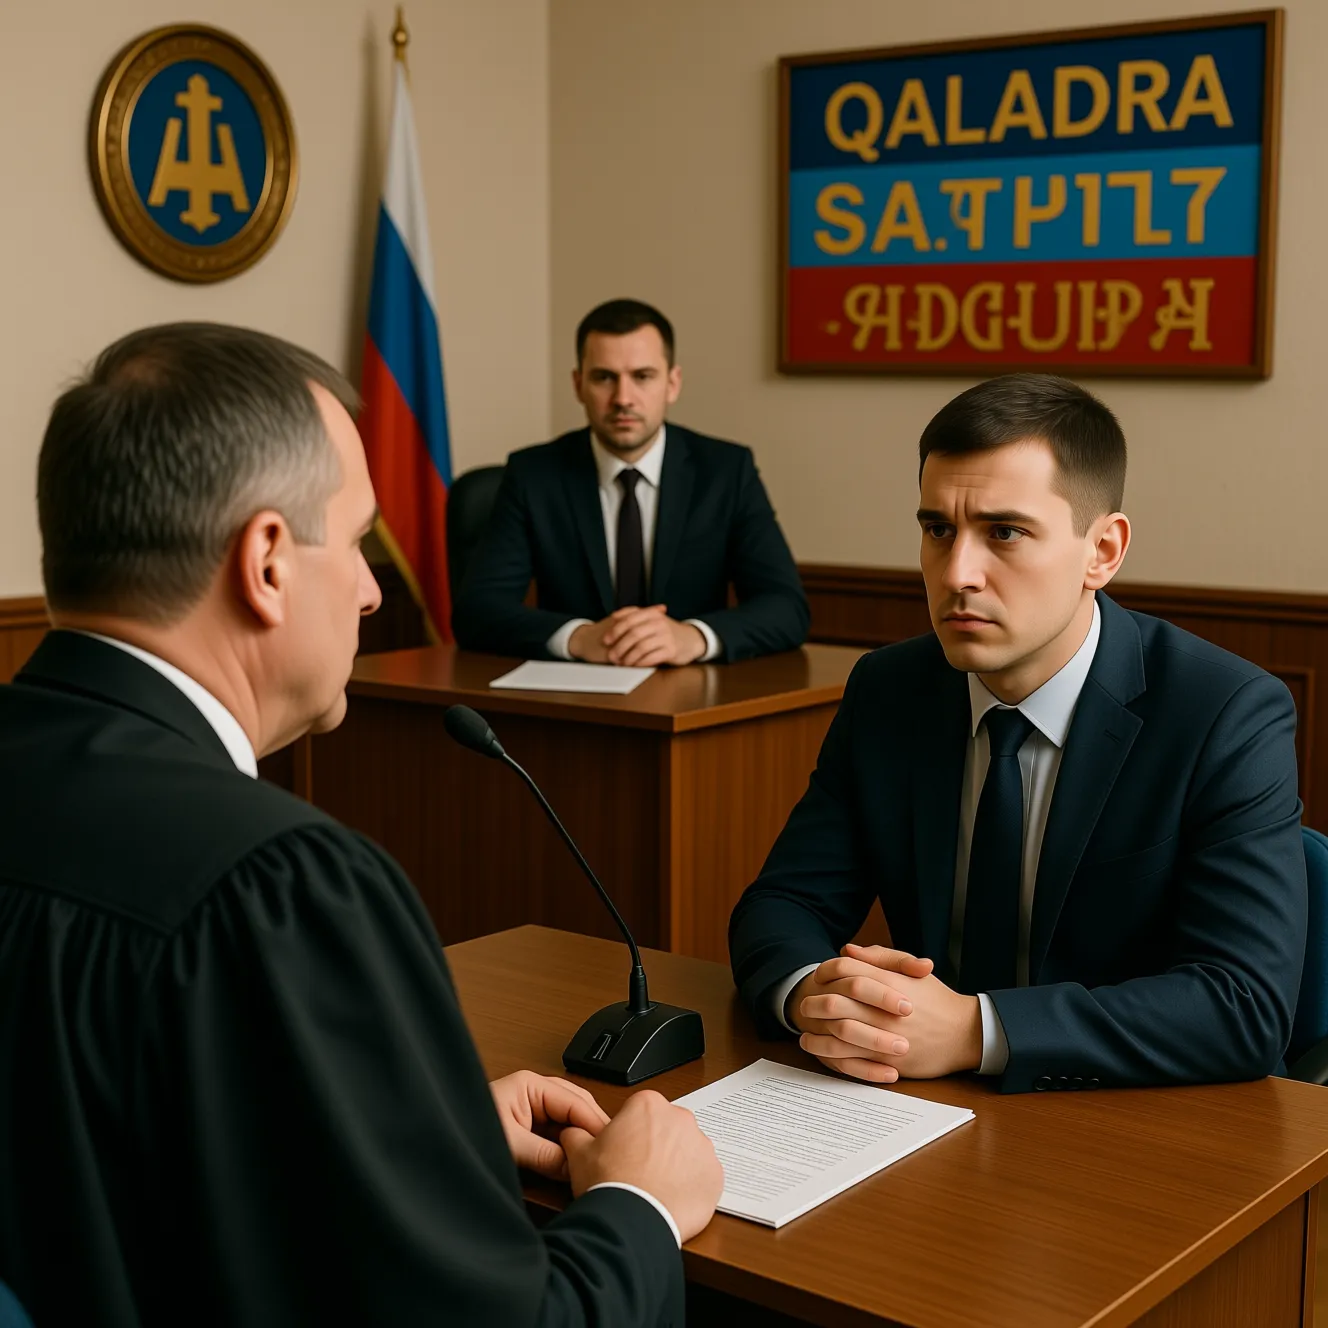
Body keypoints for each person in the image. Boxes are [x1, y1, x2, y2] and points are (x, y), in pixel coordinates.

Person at [0, 324, 722, 1327]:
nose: (375, 589)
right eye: (354, 543)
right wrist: (641, 1205)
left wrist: (415, 1135)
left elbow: (94, 1157)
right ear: (266, 563)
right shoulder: (278, 883)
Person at [729, 373, 1307, 1094]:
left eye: (1004, 532)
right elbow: (785, 903)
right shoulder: (889, 689)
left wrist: (974, 1030)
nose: (958, 574)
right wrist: (813, 996)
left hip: (1137, 1117)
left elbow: (1243, 1005)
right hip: (917, 1103)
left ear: (1103, 551)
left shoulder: (1225, 712)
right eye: (938, 530)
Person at [451, 298, 809, 664]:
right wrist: (579, 637)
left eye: (642, 377)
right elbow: (476, 611)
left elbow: (787, 607)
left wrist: (692, 637)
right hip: (573, 690)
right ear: (578, 385)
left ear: (672, 383)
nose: (623, 399)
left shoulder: (726, 472)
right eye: (604, 378)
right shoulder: (533, 474)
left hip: (692, 689)